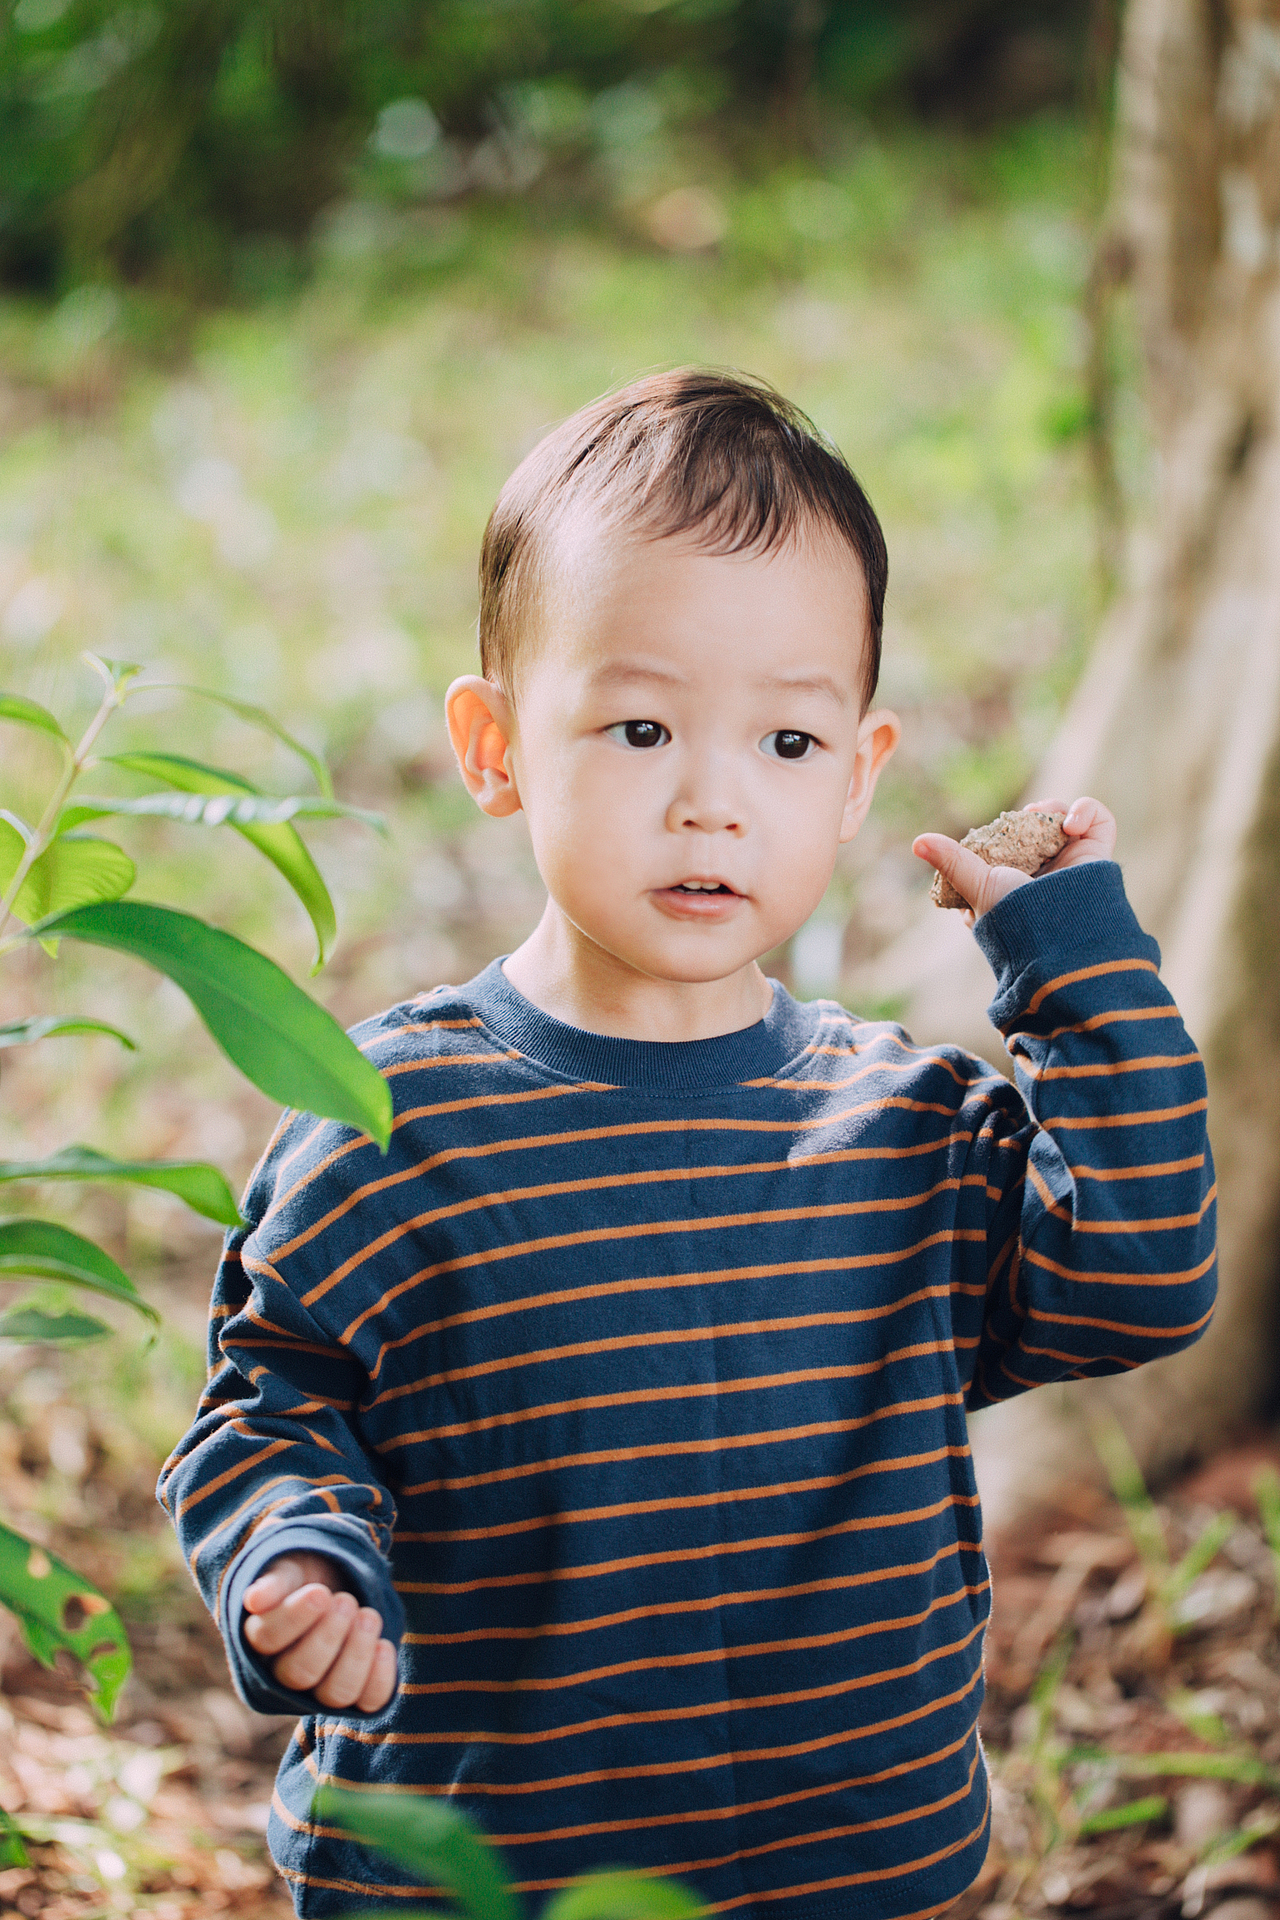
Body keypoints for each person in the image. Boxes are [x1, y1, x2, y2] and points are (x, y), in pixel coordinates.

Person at [159, 369, 1216, 1919]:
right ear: (498, 743)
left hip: (855, 1864)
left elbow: (1136, 1277)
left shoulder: (907, 1132)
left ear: (859, 775)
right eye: (642, 725)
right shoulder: (388, 1120)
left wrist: (1074, 962)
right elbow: (270, 1401)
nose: (713, 801)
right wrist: (293, 1565)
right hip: (485, 1871)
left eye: (786, 745)